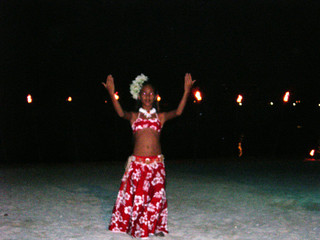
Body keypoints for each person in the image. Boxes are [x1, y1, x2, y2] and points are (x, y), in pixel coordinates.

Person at [102, 73, 195, 238]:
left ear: (155, 96)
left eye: (151, 93)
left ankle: (158, 227)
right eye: (144, 93)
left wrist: (186, 91)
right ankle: (139, 229)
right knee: (140, 199)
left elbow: (179, 112)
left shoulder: (160, 117)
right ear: (139, 96)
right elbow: (121, 113)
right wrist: (111, 93)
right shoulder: (134, 117)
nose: (148, 96)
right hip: (138, 165)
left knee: (157, 196)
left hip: (156, 164)